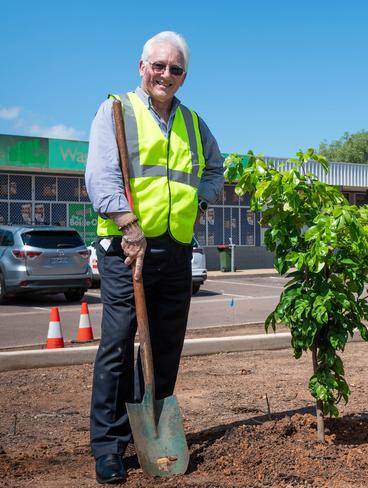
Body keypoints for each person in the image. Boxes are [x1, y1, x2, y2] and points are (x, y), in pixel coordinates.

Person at [85, 31, 224, 484]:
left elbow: (215, 170)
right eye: (159, 66)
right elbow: (100, 177)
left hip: (176, 249)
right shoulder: (117, 112)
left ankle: (152, 429)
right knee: (119, 342)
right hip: (126, 247)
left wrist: (201, 203)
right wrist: (129, 227)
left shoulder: (194, 123)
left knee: (166, 344)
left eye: (176, 69)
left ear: (184, 76)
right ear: (142, 67)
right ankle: (109, 444)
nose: (166, 75)